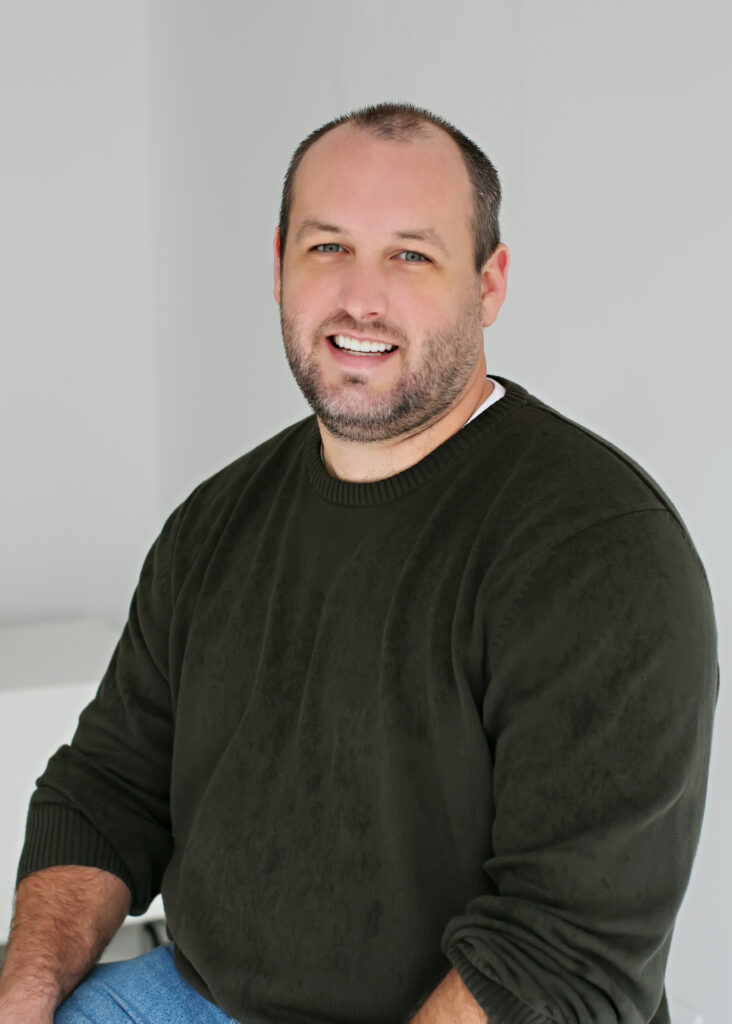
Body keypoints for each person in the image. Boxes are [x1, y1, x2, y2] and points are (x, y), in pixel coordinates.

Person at [0, 102, 718, 1024]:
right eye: (327, 247)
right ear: (278, 268)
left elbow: (559, 957)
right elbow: (106, 788)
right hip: (192, 998)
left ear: (489, 284)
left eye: (412, 255)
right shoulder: (216, 521)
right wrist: (24, 999)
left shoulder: (599, 549)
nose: (360, 298)